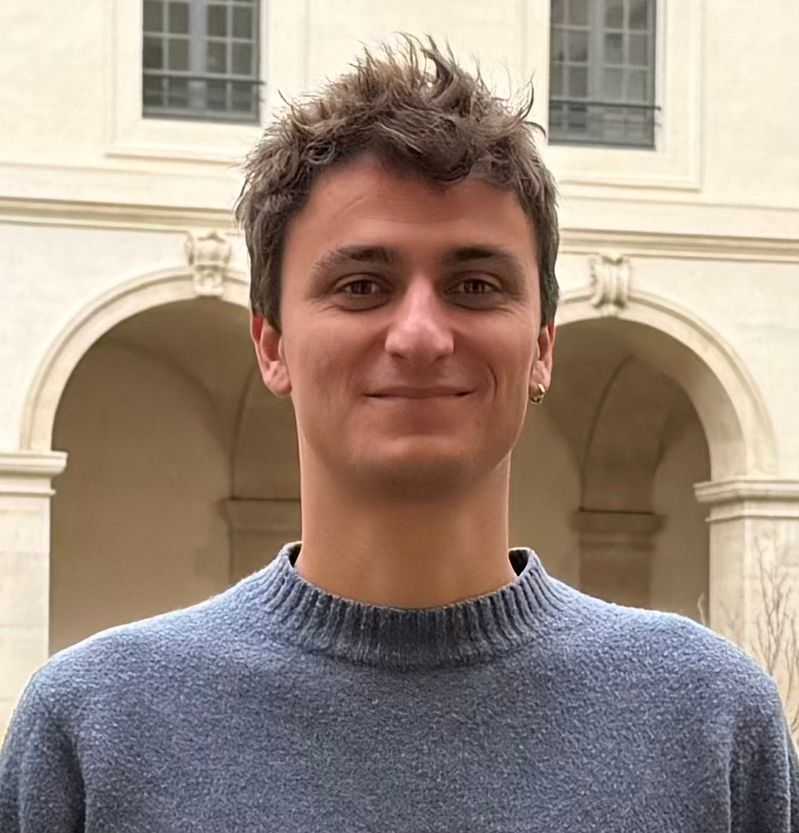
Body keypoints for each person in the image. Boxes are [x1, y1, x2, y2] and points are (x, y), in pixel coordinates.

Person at [1, 35, 797, 833]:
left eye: (474, 285)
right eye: (361, 286)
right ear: (271, 344)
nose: (419, 334)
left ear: (542, 348)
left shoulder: (706, 721)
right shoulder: (96, 731)